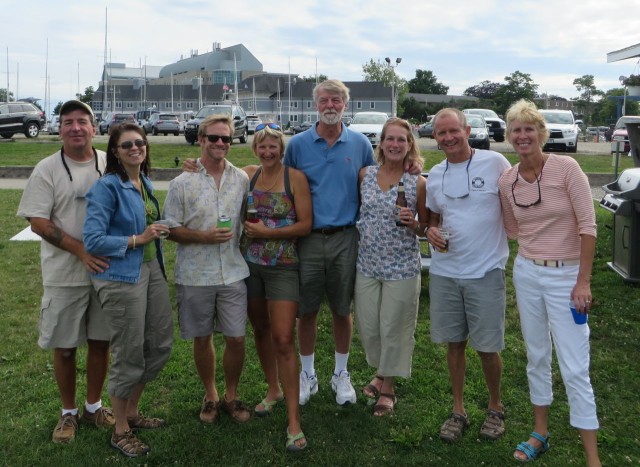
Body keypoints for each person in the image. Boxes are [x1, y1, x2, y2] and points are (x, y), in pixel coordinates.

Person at [498, 100, 601, 466]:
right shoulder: (507, 180)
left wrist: (582, 281)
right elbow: (513, 229)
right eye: (516, 130)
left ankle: (592, 457)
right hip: (528, 273)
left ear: (541, 133)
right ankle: (539, 432)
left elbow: (588, 227)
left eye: (529, 129)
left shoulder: (567, 168)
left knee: (574, 365)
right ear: (508, 137)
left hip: (567, 277)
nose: (522, 136)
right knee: (537, 355)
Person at [16, 99, 114, 444]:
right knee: (66, 346)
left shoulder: (109, 161)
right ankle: (68, 413)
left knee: (101, 343)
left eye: (82, 121)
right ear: (60, 129)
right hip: (64, 274)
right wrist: (80, 250)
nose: (75, 127)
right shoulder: (47, 168)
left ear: (93, 126)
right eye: (68, 121)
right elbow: (38, 222)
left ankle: (94, 406)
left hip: (107, 273)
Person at [83, 123, 173, 457]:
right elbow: (93, 239)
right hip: (121, 277)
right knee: (129, 351)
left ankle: (132, 410)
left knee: (160, 343)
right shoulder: (106, 187)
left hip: (151, 270)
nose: (135, 148)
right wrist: (138, 239)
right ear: (116, 153)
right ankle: (120, 429)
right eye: (127, 145)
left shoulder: (144, 182)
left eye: (140, 142)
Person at [283, 79, 375, 406]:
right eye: (325, 100)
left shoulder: (360, 144)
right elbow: (281, 188)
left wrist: (414, 167)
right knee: (306, 311)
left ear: (345, 105)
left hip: (346, 237)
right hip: (307, 238)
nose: (331, 106)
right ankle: (308, 375)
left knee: (341, 309)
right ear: (316, 104)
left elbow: (377, 186)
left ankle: (341, 374)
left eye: (337, 100)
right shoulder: (297, 145)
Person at [425, 108, 511, 442]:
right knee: (455, 344)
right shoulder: (435, 173)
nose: (447, 138)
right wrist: (431, 231)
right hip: (446, 272)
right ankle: (458, 410)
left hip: (485, 270)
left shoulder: (495, 164)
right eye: (441, 133)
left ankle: (495, 406)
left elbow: (514, 205)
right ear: (435, 137)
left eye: (453, 131)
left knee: (488, 348)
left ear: (467, 129)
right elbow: (433, 217)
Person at [163, 115, 252, 425]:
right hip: (195, 273)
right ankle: (211, 394)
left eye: (225, 139)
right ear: (200, 140)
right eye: (213, 138)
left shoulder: (241, 178)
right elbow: (169, 229)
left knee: (237, 338)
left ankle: (231, 394)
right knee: (202, 338)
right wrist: (203, 237)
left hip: (232, 271)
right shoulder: (181, 183)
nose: (219, 144)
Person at [239, 122, 312, 450]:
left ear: (281, 148)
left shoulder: (293, 178)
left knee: (284, 338)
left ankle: (294, 421)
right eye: (262, 147)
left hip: (283, 267)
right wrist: (195, 165)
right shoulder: (249, 174)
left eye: (273, 147)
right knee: (260, 330)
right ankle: (273, 389)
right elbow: (217, 173)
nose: (268, 152)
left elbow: (305, 225)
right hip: (251, 267)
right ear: (255, 149)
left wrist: (268, 234)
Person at [354, 118, 428, 416]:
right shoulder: (365, 175)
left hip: (402, 267)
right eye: (390, 139)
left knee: (394, 328)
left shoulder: (417, 182)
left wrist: (415, 224)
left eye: (402, 139)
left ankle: (388, 387)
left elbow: (426, 228)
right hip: (367, 264)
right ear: (381, 143)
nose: (396, 144)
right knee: (370, 327)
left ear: (410, 144)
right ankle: (381, 371)